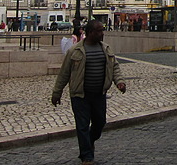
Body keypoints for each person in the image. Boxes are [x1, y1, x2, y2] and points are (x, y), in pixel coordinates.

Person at [52, 20, 126, 165]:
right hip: (80, 95)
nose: (102, 33)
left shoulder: (106, 49)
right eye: (99, 31)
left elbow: (114, 67)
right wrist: (57, 93)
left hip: (99, 94)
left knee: (100, 122)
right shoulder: (75, 51)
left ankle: (90, 140)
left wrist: (120, 82)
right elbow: (64, 74)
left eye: (102, 30)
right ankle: (87, 156)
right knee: (82, 125)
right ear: (90, 32)